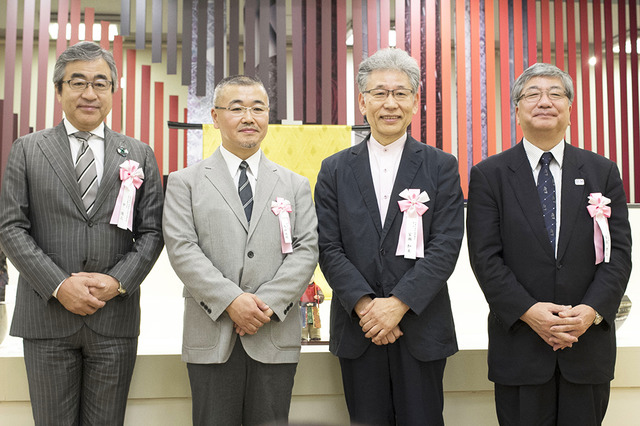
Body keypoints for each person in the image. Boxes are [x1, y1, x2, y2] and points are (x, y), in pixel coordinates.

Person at [0, 41, 164, 425]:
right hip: (46, 318)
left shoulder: (139, 153)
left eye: (100, 83)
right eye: (77, 82)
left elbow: (152, 231)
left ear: (112, 92)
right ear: (59, 91)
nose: (89, 93)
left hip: (114, 318)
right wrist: (59, 285)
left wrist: (116, 281)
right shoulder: (26, 150)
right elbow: (11, 227)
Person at [466, 63, 632, 425]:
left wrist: (589, 312)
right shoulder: (489, 175)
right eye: (532, 94)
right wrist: (529, 311)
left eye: (556, 94)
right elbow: (485, 258)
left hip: (586, 346)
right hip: (520, 347)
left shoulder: (602, 171)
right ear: (517, 110)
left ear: (570, 110)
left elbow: (618, 255)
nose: (545, 101)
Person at [315, 48, 464, 425]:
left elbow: (445, 246)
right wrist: (368, 307)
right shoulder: (334, 169)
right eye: (379, 93)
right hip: (358, 328)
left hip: (421, 327)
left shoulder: (441, 166)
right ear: (363, 101)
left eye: (400, 93)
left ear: (415, 102)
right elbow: (328, 246)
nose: (390, 103)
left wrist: (397, 305)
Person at [162, 75, 318, 426]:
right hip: (211, 334)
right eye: (237, 108)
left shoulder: (295, 184)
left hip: (273, 332)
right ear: (216, 118)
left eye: (258, 108)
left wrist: (267, 304)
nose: (249, 117)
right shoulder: (185, 182)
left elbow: (307, 249)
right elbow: (183, 249)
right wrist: (232, 301)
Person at [300, 275, 325, 342]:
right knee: (303, 323)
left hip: (313, 307)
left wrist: (319, 297)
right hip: (303, 307)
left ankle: (315, 336)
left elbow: (321, 296)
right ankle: (303, 336)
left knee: (315, 323)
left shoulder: (316, 287)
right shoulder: (301, 287)